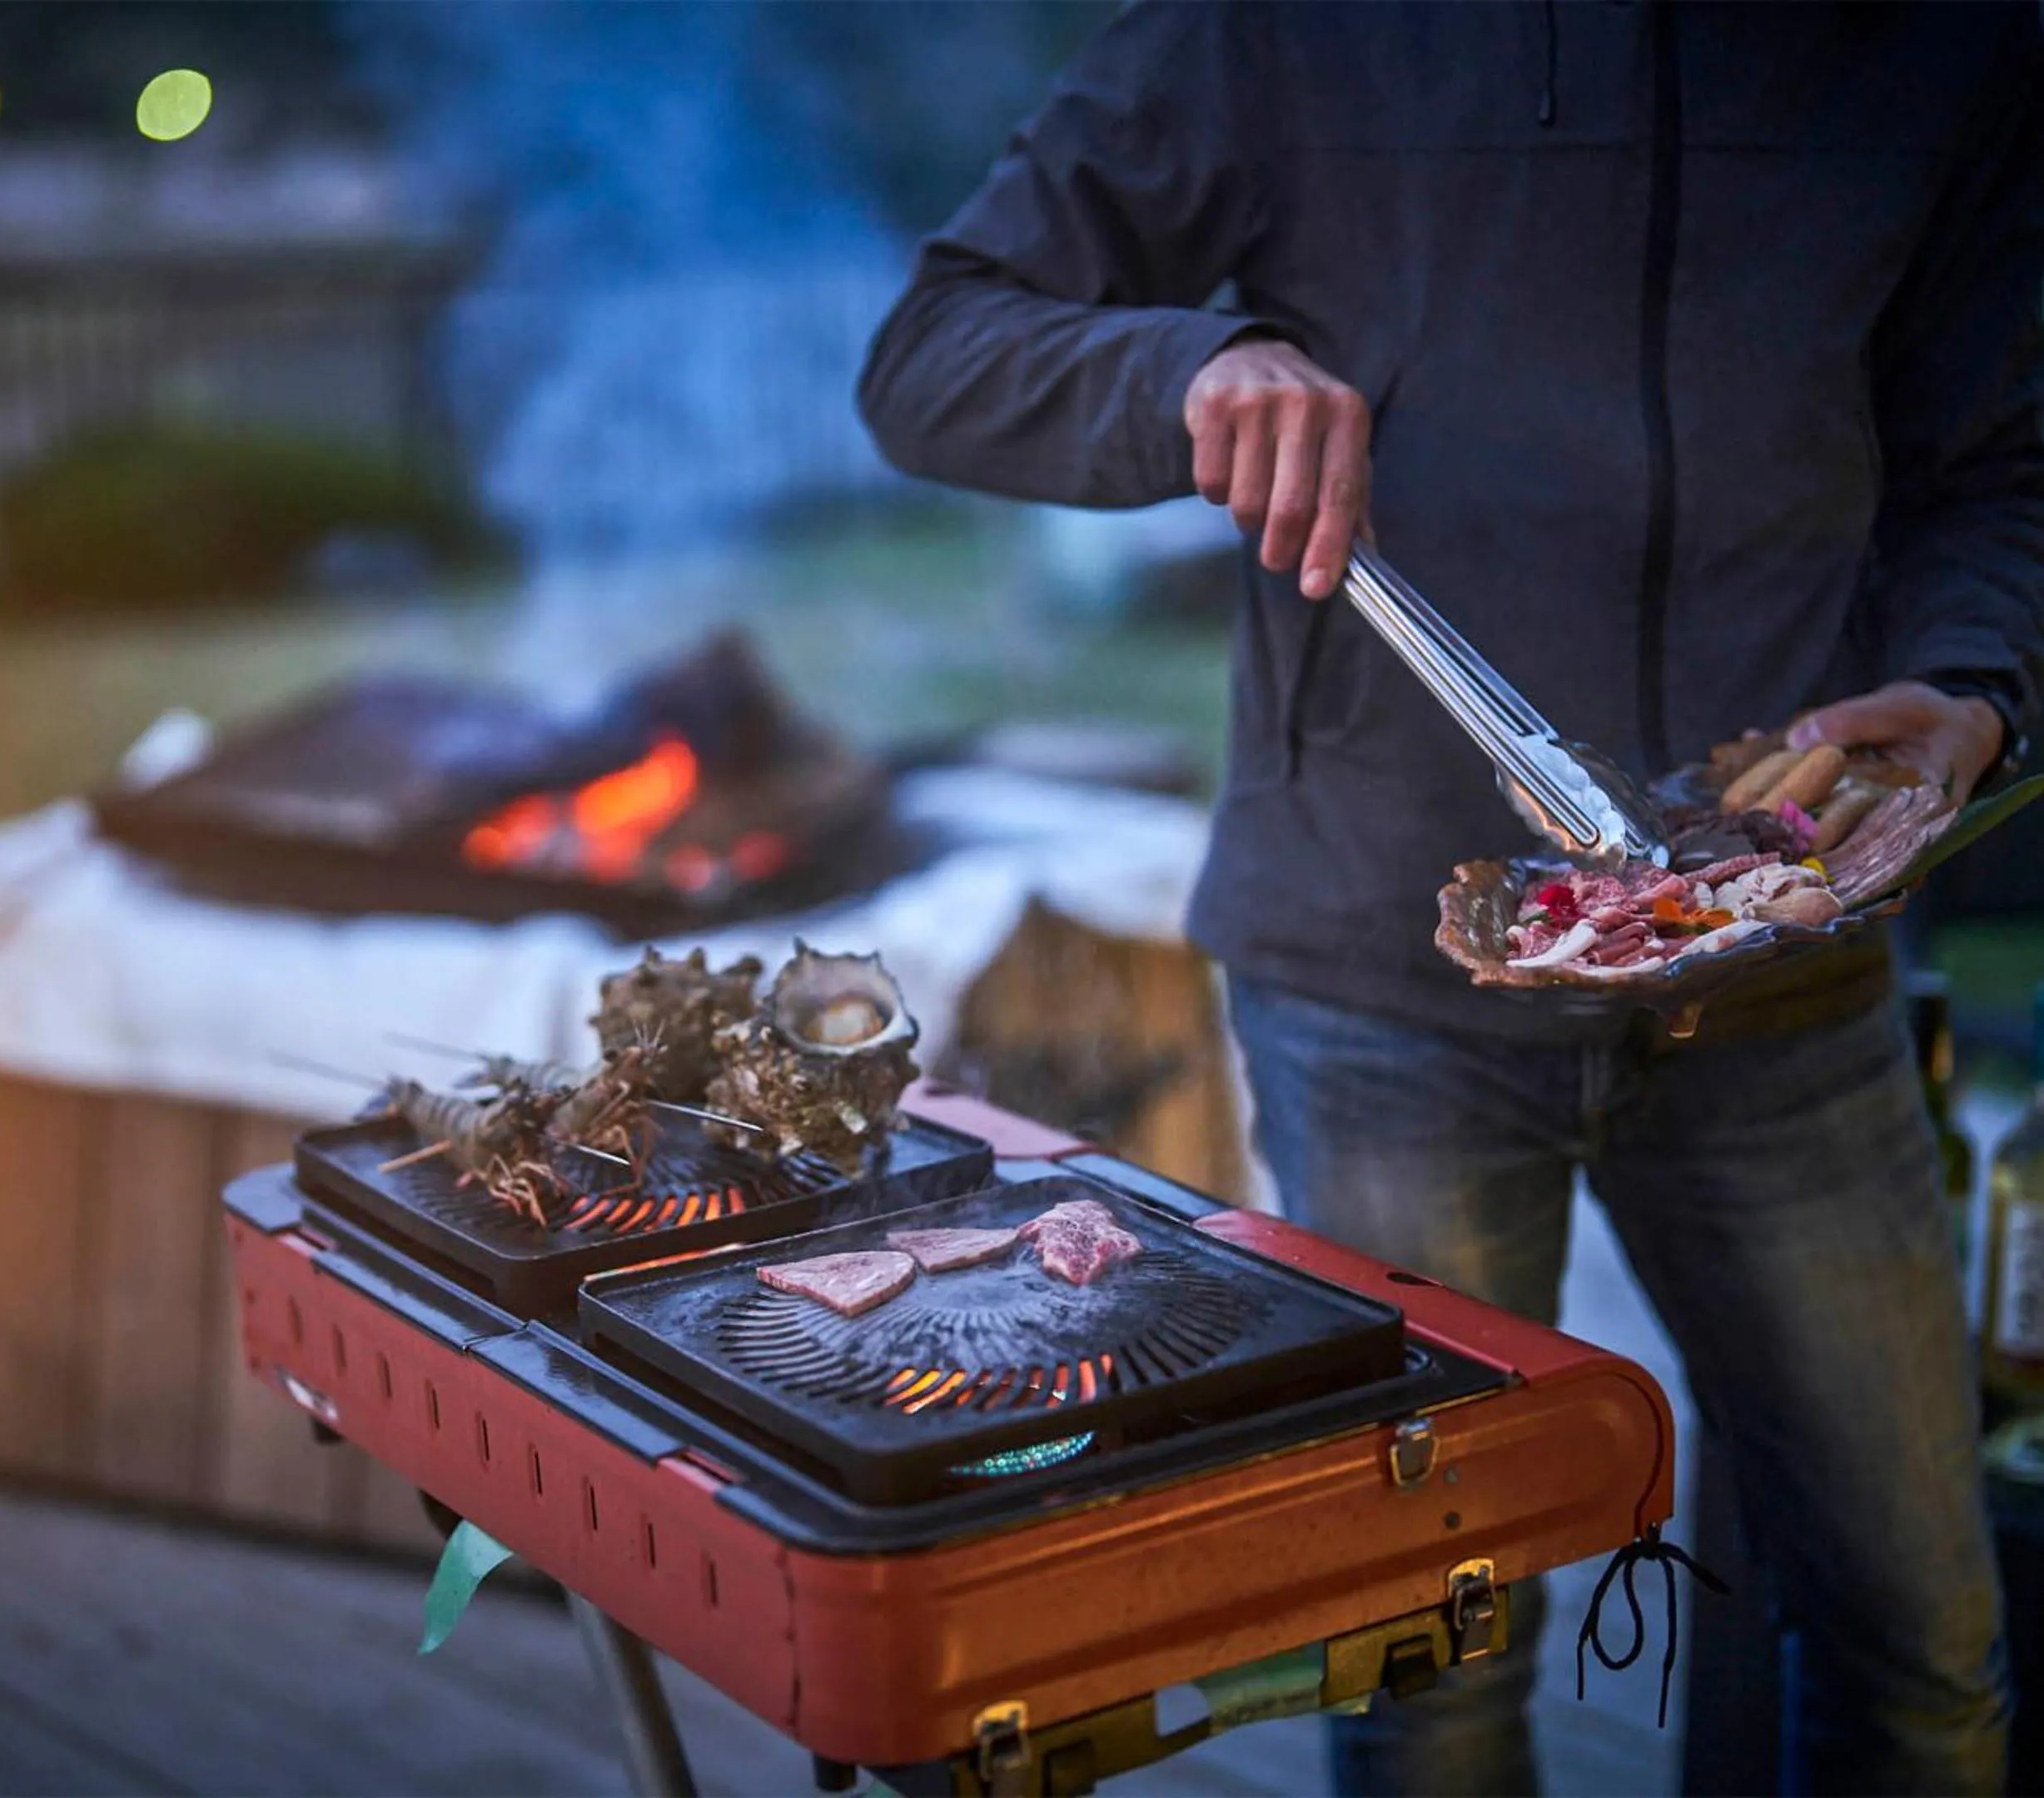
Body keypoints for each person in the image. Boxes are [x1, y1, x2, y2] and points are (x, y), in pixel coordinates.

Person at [856, 6, 2042, 1794]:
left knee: (1925, 1652)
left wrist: (1972, 684)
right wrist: (1190, 371)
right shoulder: (1283, 29)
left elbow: (2003, 467)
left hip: (1785, 979)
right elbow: (929, 356)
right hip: (1379, 976)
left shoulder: (1932, 47)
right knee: (1436, 1673)